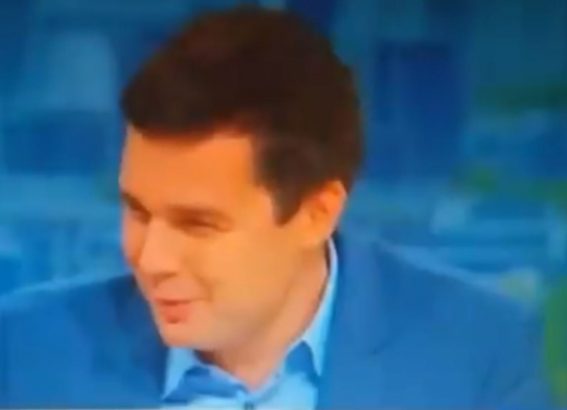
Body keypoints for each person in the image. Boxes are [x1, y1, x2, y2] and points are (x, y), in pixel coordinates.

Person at [0, 6, 557, 409]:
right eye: (139, 212)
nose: (152, 259)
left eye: (198, 224)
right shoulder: (25, 356)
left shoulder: (478, 356)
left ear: (317, 213)